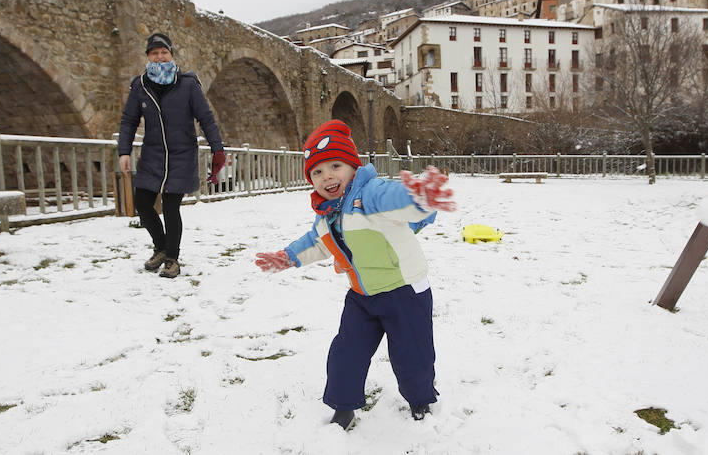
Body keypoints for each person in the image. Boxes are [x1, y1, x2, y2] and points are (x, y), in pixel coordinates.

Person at [254, 120, 455, 430]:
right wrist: (288, 257)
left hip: (404, 291)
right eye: (317, 172)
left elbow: (395, 198)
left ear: (352, 166)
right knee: (346, 351)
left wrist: (419, 197)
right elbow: (318, 243)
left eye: (335, 165)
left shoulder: (370, 194)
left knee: (411, 354)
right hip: (362, 296)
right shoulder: (327, 213)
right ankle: (343, 405)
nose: (326, 176)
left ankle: (420, 398)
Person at [118, 32, 226, 278]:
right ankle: (161, 247)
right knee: (143, 203)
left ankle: (172, 259)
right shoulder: (140, 85)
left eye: (163, 52)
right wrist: (124, 150)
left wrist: (217, 148)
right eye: (154, 53)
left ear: (171, 55)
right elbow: (129, 120)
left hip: (182, 154)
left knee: (170, 206)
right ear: (148, 56)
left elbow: (205, 117)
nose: (159, 56)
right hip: (153, 154)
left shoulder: (187, 84)